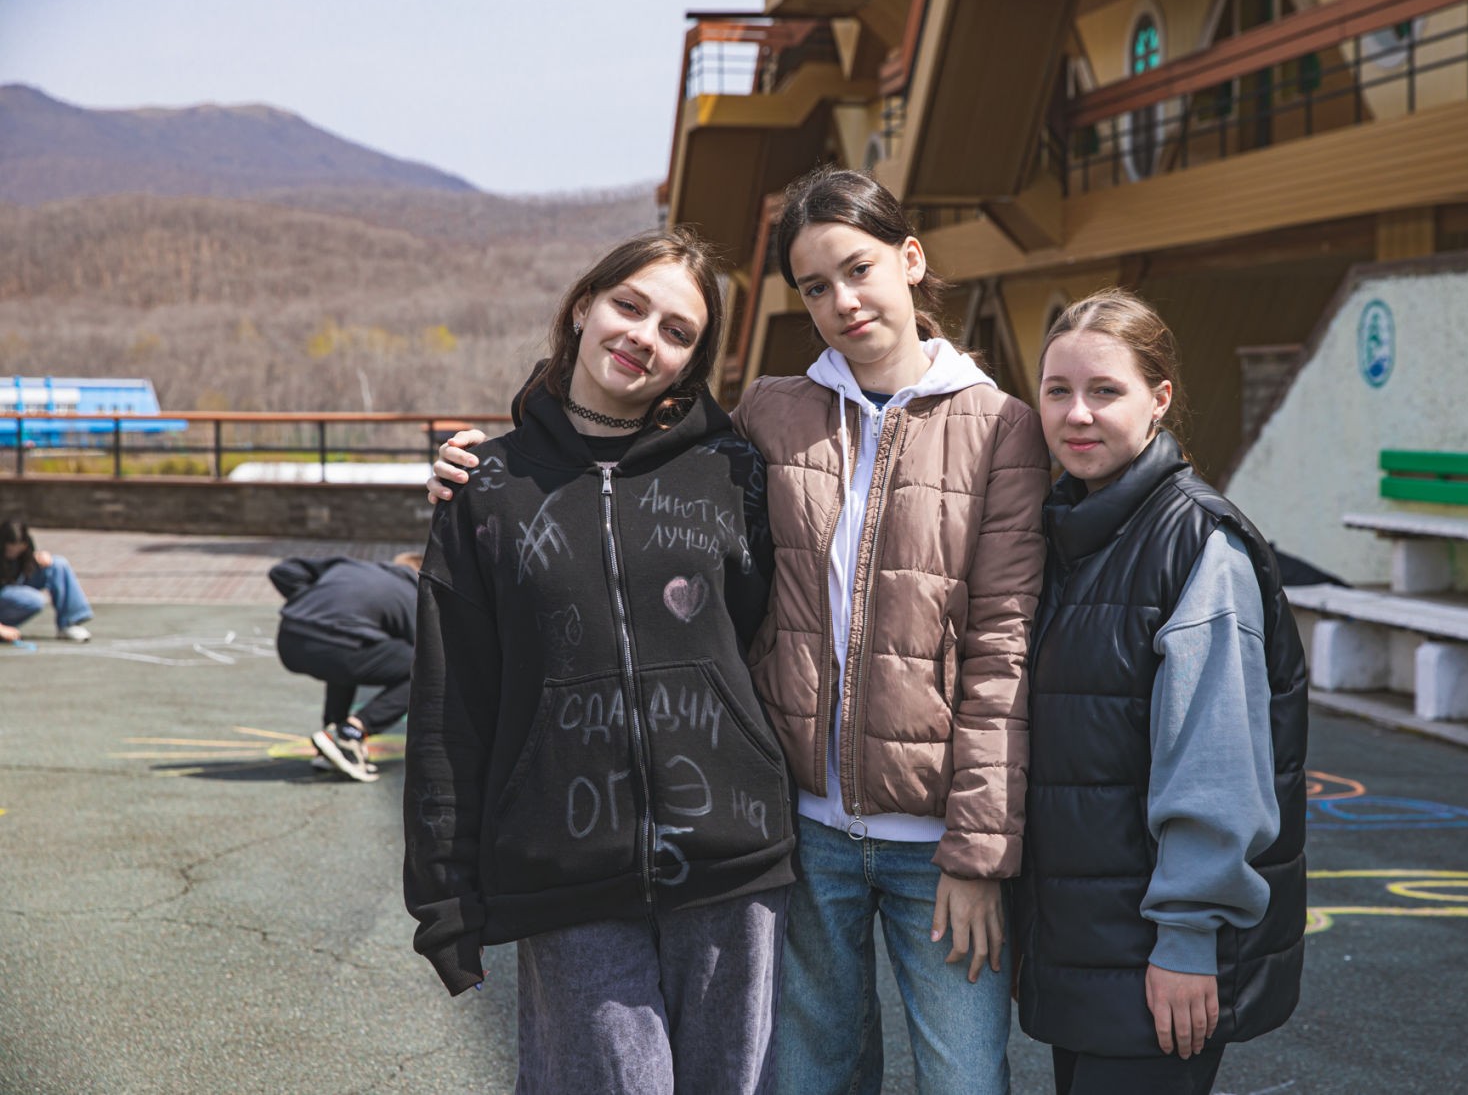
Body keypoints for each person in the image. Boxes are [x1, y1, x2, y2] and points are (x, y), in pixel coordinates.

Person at [430, 168, 1050, 1095]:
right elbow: (617, 443)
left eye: (859, 269)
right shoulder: (771, 414)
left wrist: (980, 848)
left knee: (963, 1077)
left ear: (911, 259)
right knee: (809, 1078)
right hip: (805, 828)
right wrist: (490, 456)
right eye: (815, 286)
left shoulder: (1001, 426)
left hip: (922, 838)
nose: (843, 301)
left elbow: (1003, 645)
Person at [405, 228, 795, 1094]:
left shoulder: (732, 471)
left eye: (677, 330)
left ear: (692, 361)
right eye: (629, 306)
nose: (644, 336)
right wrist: (444, 894)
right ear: (583, 306)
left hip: (732, 861)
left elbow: (760, 635)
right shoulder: (484, 488)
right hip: (564, 869)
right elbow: (451, 698)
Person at [1015, 290, 1308, 1095]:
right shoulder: (1065, 533)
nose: (1077, 413)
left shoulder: (1197, 544)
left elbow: (1217, 769)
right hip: (1085, 950)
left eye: (1105, 390)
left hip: (1159, 956)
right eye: (1057, 390)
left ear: (1160, 398)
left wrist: (1186, 938)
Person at [269, 551, 423, 781]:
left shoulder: (349, 567)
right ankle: (351, 732)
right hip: (337, 646)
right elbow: (424, 651)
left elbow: (282, 571)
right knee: (422, 669)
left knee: (353, 652)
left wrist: (309, 602)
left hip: (289, 638)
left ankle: (330, 739)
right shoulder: (413, 594)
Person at [1, 518, 94, 644]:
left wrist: (35, 558)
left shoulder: (25, 549)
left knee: (57, 564)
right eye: (10, 547)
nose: (14, 551)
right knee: (34, 600)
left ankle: (69, 623)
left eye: (19, 547)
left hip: (11, 585)